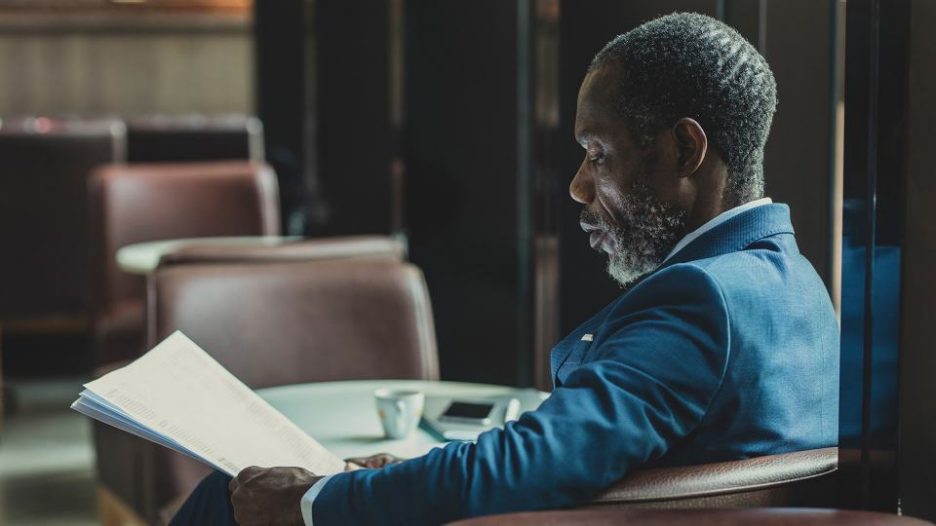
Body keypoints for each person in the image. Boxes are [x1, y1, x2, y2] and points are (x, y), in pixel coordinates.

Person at [172, 12, 839, 526]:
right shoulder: (799, 287)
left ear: (684, 150)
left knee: (223, 500)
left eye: (598, 155)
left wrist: (312, 503)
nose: (578, 187)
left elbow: (534, 464)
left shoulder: (700, 298)